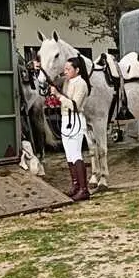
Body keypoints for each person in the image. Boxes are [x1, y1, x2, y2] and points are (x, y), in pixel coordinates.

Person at [48, 56, 92, 200]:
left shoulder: (81, 84)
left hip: (75, 120)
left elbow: (75, 105)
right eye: (65, 69)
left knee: (76, 154)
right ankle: (76, 185)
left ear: (77, 70)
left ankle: (83, 189)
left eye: (68, 69)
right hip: (66, 119)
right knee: (69, 154)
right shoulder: (67, 82)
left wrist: (59, 96)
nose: (65, 71)